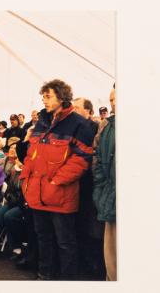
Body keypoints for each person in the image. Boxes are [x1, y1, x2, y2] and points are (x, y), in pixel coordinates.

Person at [20, 79, 94, 280]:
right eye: (43, 96)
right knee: (43, 238)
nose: (44, 100)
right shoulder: (41, 122)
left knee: (65, 242)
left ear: (61, 97)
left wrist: (56, 182)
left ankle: (67, 280)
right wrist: (25, 178)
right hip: (37, 193)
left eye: (48, 96)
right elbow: (30, 155)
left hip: (61, 195)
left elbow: (82, 159)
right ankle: (45, 275)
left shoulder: (79, 124)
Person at [73, 97, 104, 277]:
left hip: (89, 185)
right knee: (77, 227)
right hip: (75, 185)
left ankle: (92, 268)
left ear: (89, 112)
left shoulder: (95, 128)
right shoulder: (72, 129)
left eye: (78, 108)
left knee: (91, 229)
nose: (74, 111)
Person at [93, 86, 116, 281]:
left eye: (116, 99)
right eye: (111, 100)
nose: (113, 103)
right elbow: (98, 159)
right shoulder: (108, 126)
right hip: (110, 198)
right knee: (112, 259)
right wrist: (100, 192)